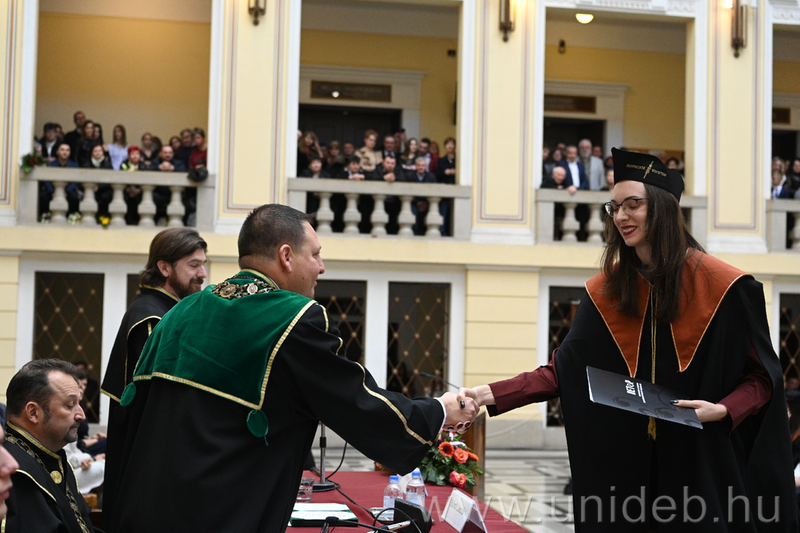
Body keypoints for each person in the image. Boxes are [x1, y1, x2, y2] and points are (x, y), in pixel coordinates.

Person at [460, 148, 798, 532]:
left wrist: (721, 410)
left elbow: (762, 378)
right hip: (625, 470)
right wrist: (487, 394)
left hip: (700, 462)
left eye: (633, 204)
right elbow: (563, 371)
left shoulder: (725, 287)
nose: (621, 216)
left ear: (663, 208)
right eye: (614, 207)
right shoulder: (607, 289)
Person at [108, 205, 477, 533]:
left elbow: (133, 423)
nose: (321, 266)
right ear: (286, 256)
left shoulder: (180, 313)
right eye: (315, 254)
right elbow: (356, 402)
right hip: (216, 515)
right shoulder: (292, 318)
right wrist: (440, 410)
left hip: (142, 511)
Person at [99, 227, 207, 527]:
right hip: (151, 463)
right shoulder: (154, 319)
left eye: (203, 264)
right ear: (164, 267)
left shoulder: (166, 310)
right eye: (194, 265)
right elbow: (165, 405)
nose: (202, 274)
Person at [3, 359, 100, 532]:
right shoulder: (15, 472)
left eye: (79, 403)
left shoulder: (53, 456)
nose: (81, 415)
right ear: (33, 412)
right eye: (70, 405)